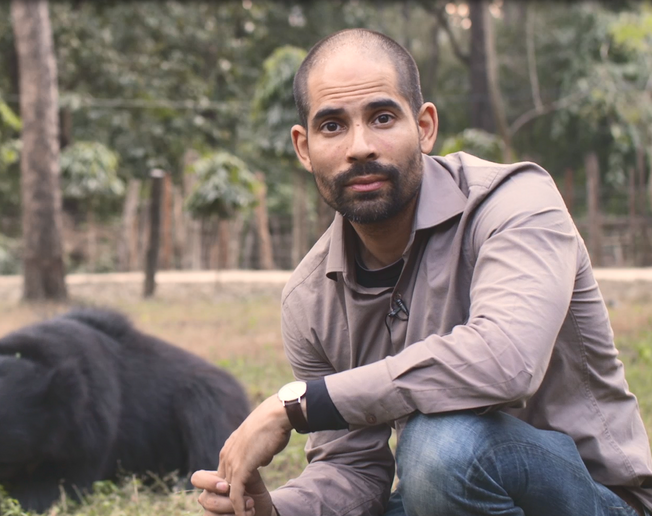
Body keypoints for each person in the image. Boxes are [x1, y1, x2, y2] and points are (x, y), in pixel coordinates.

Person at [191, 28, 652, 516]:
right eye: (332, 126)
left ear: (425, 126)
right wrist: (274, 511)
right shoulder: (310, 299)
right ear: (304, 148)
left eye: (383, 117)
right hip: (443, 498)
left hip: (595, 501)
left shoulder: (517, 204)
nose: (360, 147)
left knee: (442, 445)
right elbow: (352, 469)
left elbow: (506, 362)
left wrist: (300, 403)